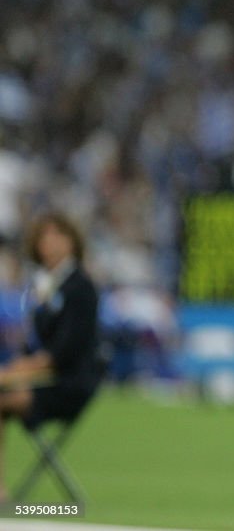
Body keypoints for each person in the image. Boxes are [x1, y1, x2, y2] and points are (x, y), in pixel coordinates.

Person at [0, 211, 104, 501]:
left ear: (72, 242)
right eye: (45, 237)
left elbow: (64, 351)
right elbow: (34, 342)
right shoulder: (42, 286)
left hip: (68, 382)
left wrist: (15, 372)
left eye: (59, 236)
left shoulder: (80, 286)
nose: (51, 244)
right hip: (44, 376)